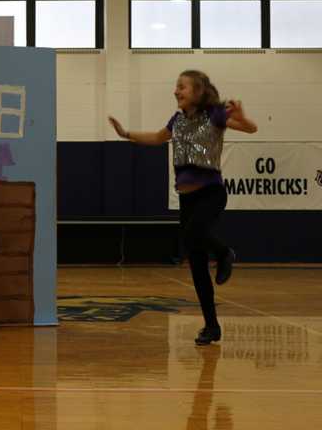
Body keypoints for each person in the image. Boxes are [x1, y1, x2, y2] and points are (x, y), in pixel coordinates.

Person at [108, 70, 257, 345]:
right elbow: (156, 137)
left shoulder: (214, 114)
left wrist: (241, 114)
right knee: (197, 265)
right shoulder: (176, 121)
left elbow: (250, 128)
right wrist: (125, 133)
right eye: (176, 87)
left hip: (211, 194)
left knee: (191, 236)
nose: (176, 92)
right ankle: (211, 327)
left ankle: (225, 252)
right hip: (187, 200)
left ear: (198, 91)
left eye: (182, 87)